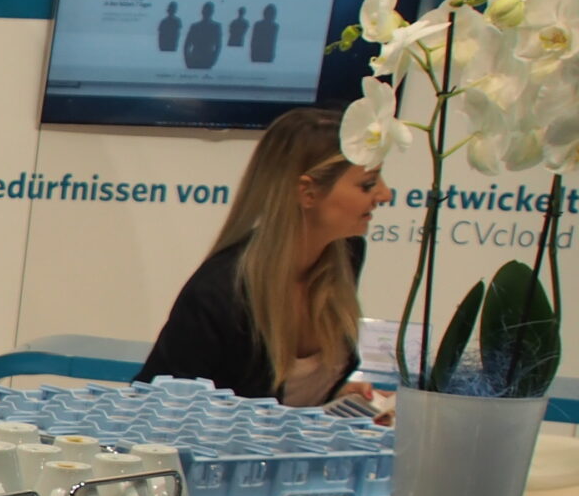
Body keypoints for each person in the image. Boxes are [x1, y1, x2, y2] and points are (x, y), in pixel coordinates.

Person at [137, 105, 391, 404]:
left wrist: (333, 395)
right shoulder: (218, 293)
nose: (385, 195)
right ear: (307, 193)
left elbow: (286, 396)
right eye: (368, 185)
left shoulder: (347, 255)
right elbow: (158, 407)